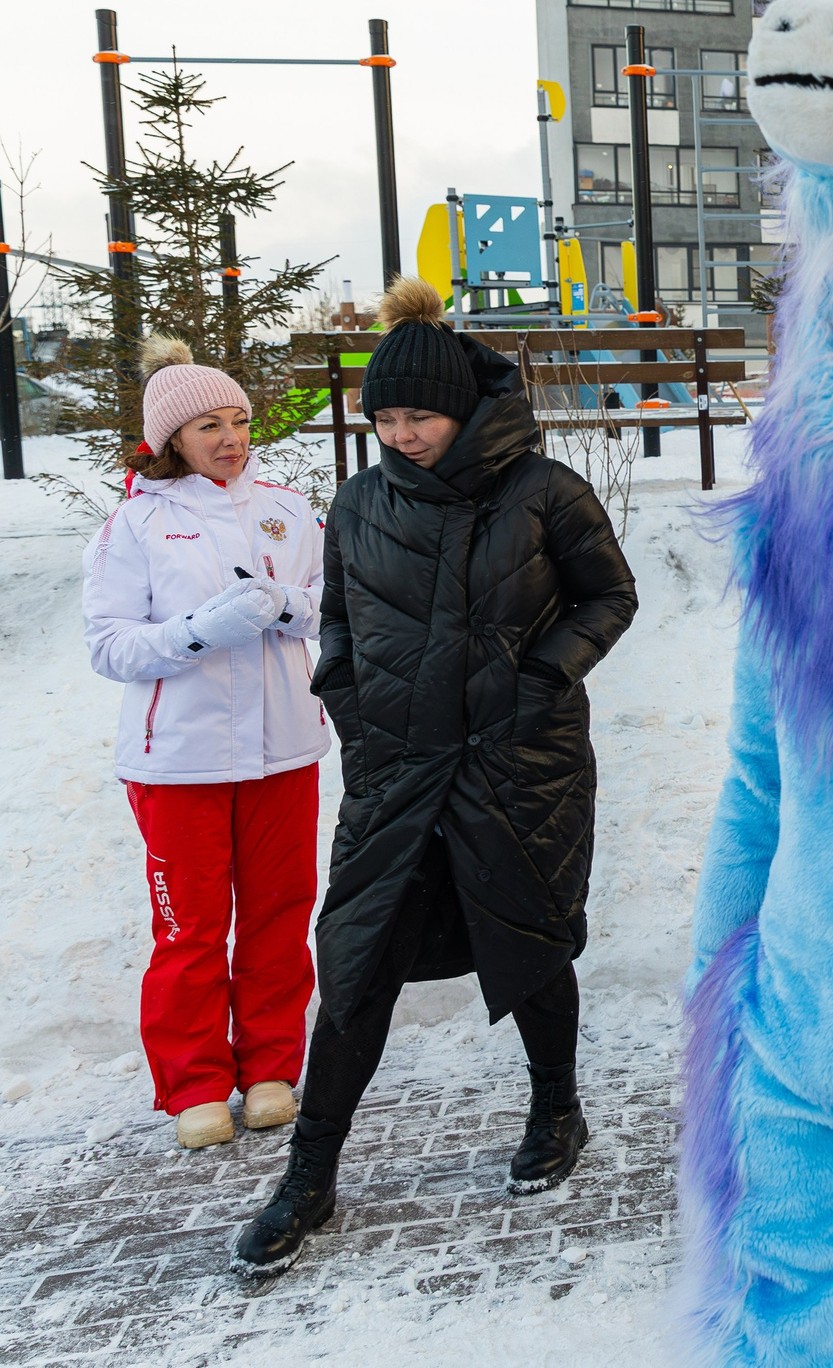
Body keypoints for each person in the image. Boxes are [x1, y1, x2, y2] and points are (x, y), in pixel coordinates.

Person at [233, 278, 638, 1277]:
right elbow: (337, 626)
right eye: (386, 418)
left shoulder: (545, 492)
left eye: (418, 415)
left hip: (519, 760)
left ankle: (557, 1111)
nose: (402, 433)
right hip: (398, 768)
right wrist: (355, 716)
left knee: (529, 941)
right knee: (359, 960)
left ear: (461, 409)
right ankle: (309, 1175)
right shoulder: (362, 501)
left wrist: (542, 676)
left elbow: (608, 596)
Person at [82, 338, 327, 1150]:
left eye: (240, 421)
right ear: (169, 441)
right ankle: (192, 1083)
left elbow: (336, 605)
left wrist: (286, 605)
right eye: (207, 426)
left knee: (279, 914)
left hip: (283, 749)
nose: (230, 438)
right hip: (177, 761)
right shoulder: (138, 523)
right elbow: (111, 645)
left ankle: (269, 1070)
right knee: (188, 927)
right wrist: (199, 631)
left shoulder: (288, 512)